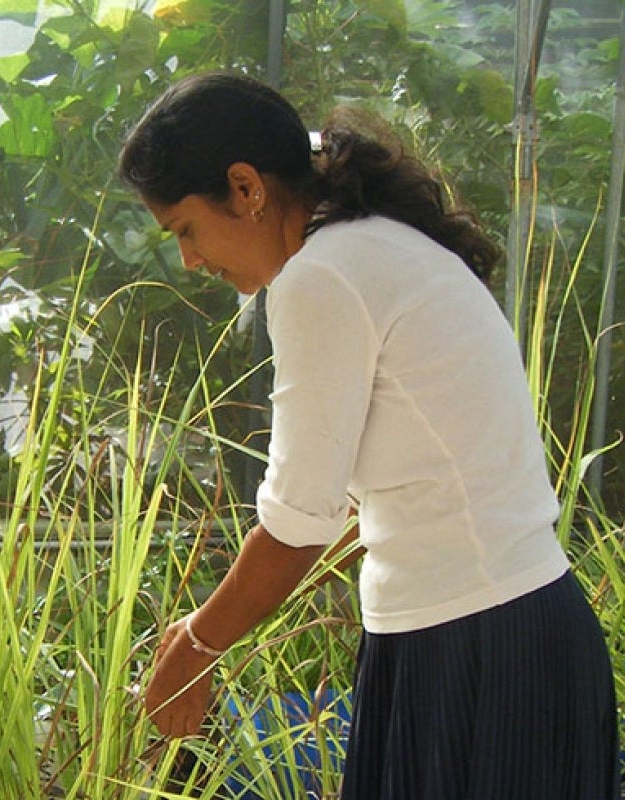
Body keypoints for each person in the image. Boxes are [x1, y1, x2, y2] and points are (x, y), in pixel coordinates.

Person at [118, 71, 619, 799]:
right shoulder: (373, 246)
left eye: (187, 230)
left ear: (246, 187)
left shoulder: (324, 278)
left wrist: (194, 649)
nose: (192, 261)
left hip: (477, 649)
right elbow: (357, 508)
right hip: (494, 635)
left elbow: (297, 520)